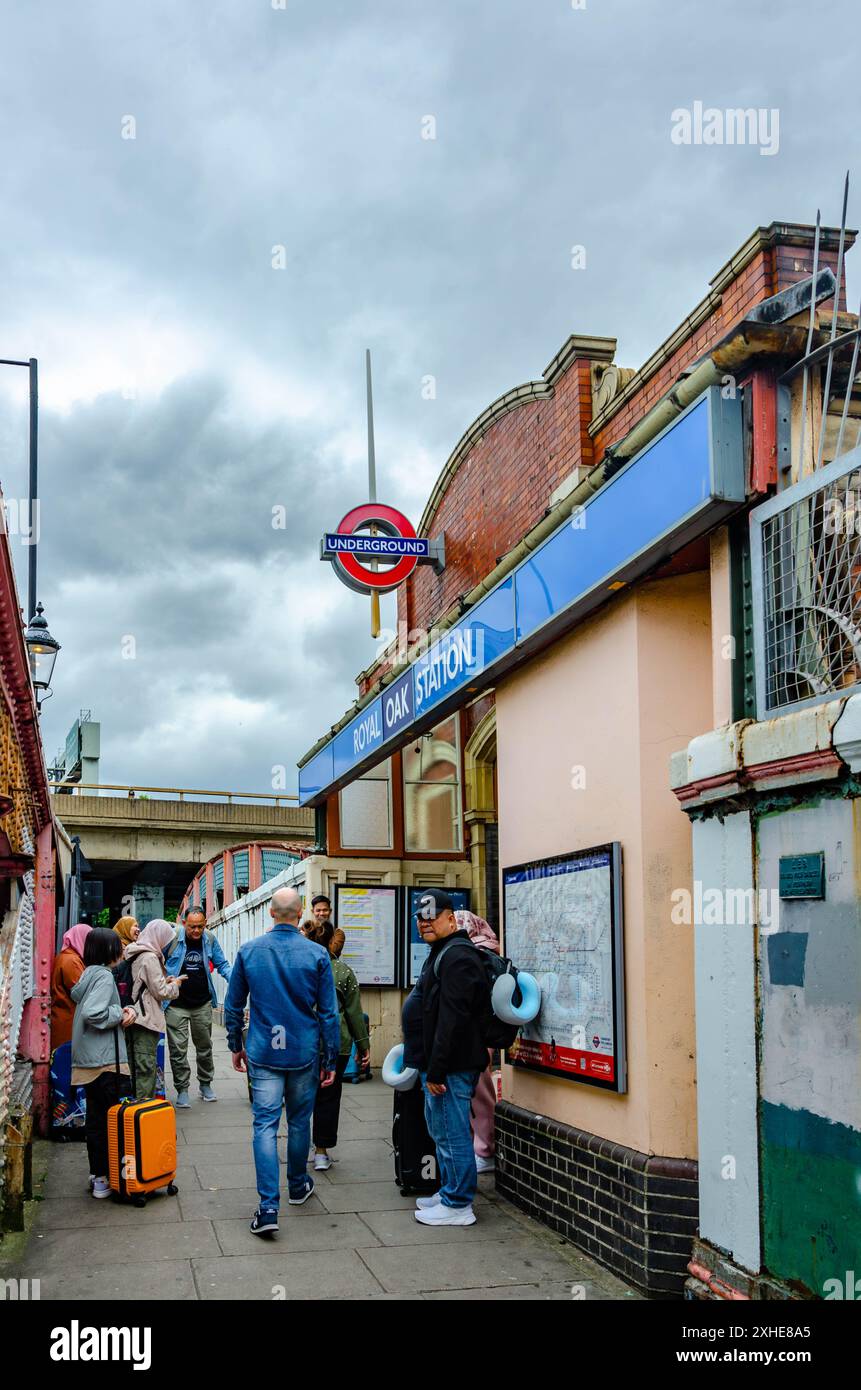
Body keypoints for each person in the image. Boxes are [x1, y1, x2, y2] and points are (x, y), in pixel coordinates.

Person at [224, 885, 339, 1237]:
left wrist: (235, 1043)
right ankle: (299, 1185)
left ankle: (268, 1207)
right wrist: (330, 1057)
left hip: (263, 1051)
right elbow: (328, 1014)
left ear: (271, 913)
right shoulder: (317, 956)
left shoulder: (248, 952)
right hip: (304, 1051)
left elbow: (233, 1005)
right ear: (301, 911)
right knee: (301, 1122)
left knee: (264, 1125)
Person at [401, 890, 488, 1227]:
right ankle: (450, 1190)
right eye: (421, 918)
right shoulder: (443, 952)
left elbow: (453, 1020)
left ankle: (458, 1204)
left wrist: (436, 1069)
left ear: (452, 918)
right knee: (441, 1132)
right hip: (438, 1066)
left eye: (432, 916)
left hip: (450, 1067)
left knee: (453, 1134)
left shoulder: (458, 957)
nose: (425, 923)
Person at [70, 927, 137, 1198]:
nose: (121, 950)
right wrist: (119, 1013)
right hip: (106, 1062)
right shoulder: (105, 977)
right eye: (117, 946)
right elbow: (94, 1012)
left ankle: (98, 1177)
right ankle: (117, 1178)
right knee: (116, 1122)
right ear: (109, 951)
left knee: (96, 1121)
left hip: (87, 1061)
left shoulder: (87, 974)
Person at [307, 921, 370, 1171]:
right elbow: (354, 1013)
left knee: (302, 1096)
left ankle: (301, 1146)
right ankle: (321, 1152)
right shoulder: (344, 971)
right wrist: (363, 1045)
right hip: (338, 1043)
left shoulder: (302, 967)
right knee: (329, 1098)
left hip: (305, 1042)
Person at [163, 906, 232, 1107]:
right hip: (175, 1004)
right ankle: (182, 1089)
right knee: (178, 1050)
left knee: (204, 1047)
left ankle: (205, 1084)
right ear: (184, 923)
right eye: (192, 927)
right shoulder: (172, 937)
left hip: (202, 1003)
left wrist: (237, 980)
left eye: (200, 926)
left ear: (205, 924)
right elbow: (157, 961)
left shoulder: (209, 939)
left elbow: (222, 964)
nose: (196, 931)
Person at [455, 909, 500, 1175]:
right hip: (480, 1031)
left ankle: (484, 1148)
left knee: (479, 1092)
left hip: (476, 1032)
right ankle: (480, 1146)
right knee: (476, 1090)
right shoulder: (484, 950)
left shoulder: (477, 954)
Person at [124, 920, 184, 1100]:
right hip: (145, 1019)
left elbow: (142, 984)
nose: (167, 945)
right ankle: (143, 1114)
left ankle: (134, 1112)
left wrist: (162, 981)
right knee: (145, 1069)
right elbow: (161, 992)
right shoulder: (149, 957)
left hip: (133, 1016)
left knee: (135, 1067)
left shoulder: (133, 951)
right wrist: (175, 985)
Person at [51, 923, 92, 1049]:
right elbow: (83, 992)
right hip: (69, 1023)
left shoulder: (68, 957)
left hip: (66, 1019)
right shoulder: (72, 961)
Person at [111, 915, 139, 1008]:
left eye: (138, 926)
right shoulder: (117, 948)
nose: (138, 929)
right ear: (125, 928)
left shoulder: (131, 947)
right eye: (135, 926)